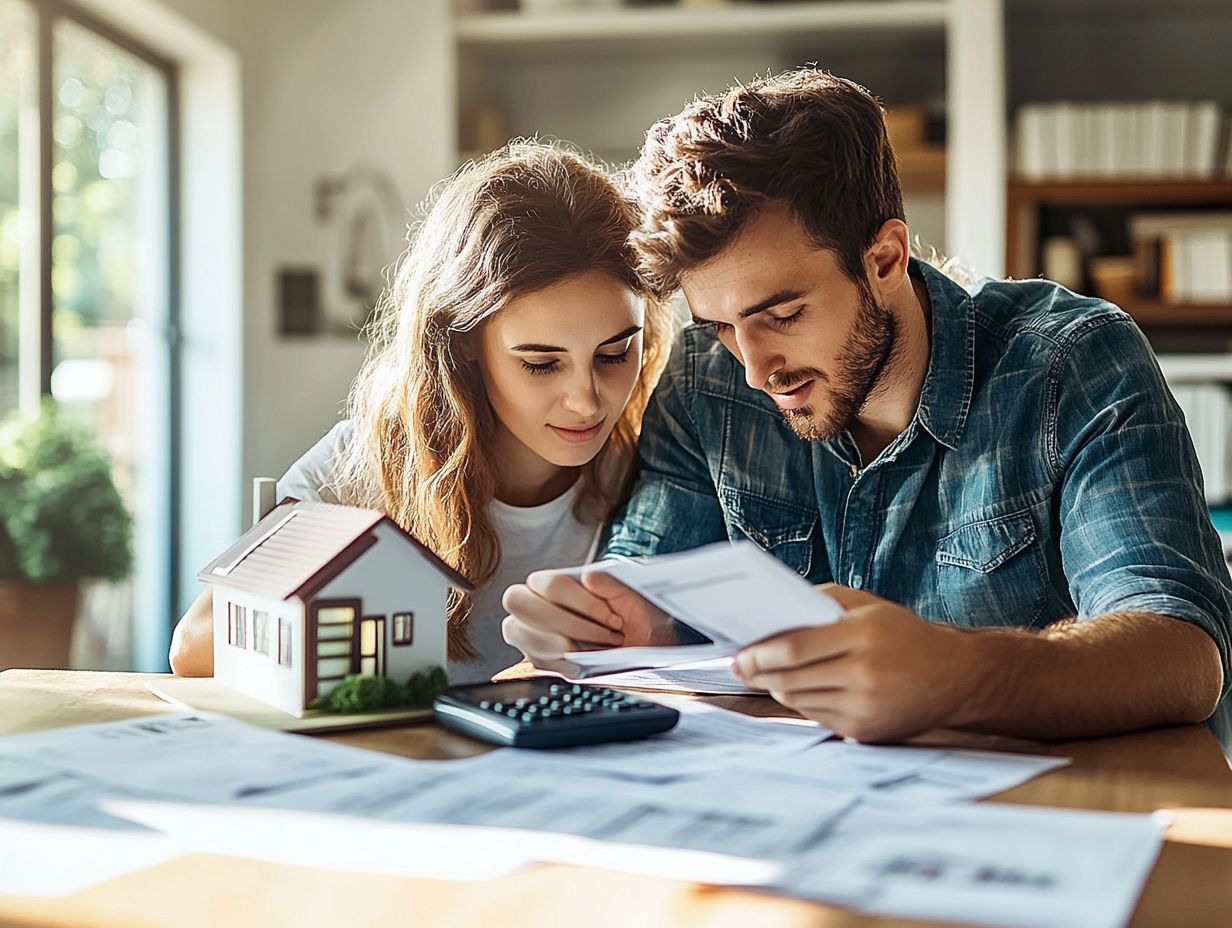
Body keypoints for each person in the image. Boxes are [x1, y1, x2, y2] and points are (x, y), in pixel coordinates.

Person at [501, 69, 1232, 749]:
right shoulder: (705, 378)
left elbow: (1183, 654)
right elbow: (650, 581)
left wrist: (961, 675)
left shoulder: (1069, 362)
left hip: (1042, 819)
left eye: (782, 314)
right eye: (721, 325)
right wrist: (620, 621)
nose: (755, 369)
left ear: (884, 259)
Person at [168, 141, 675, 683]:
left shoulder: (659, 468)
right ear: (463, 344)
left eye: (615, 354)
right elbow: (194, 646)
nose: (587, 400)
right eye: (541, 364)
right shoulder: (363, 466)